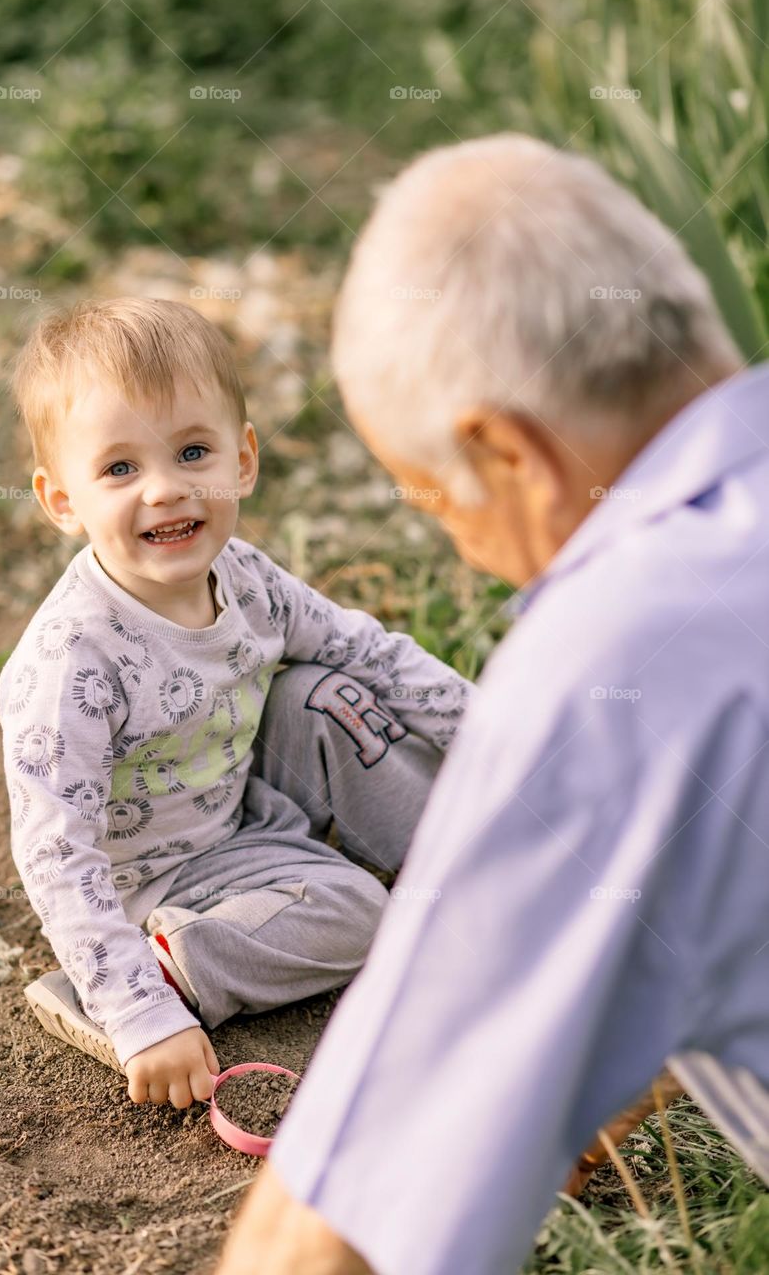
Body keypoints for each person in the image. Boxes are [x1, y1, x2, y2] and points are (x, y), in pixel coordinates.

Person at [215, 134, 769, 1275]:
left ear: (507, 453)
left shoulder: (618, 655)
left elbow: (326, 1231)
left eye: (440, 506)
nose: (475, 564)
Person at [0, 297, 472, 1108]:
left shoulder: (245, 577)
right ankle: (167, 967)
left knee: (327, 693)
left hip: (243, 802)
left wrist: (499, 738)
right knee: (359, 912)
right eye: (119, 469)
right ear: (62, 501)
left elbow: (369, 651)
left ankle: (476, 852)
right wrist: (139, 1013)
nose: (166, 490)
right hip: (155, 874)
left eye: (191, 452)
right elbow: (56, 852)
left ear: (241, 460)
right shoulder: (71, 661)